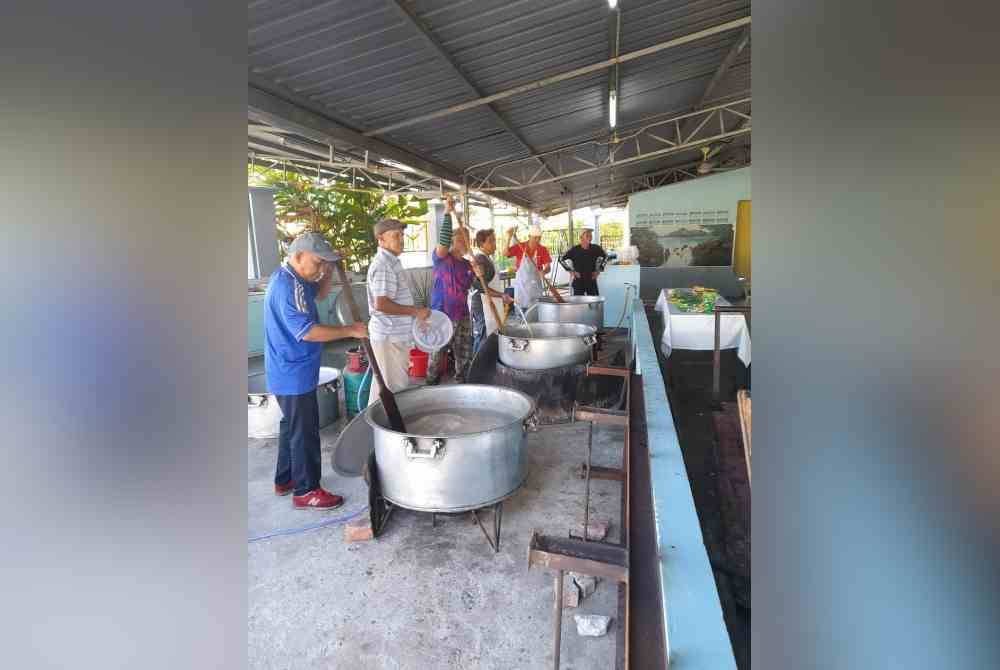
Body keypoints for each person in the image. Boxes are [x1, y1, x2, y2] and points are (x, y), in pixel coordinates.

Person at [265, 232, 368, 510]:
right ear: (298, 256)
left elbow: (321, 292)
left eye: (324, 263)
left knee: (291, 427)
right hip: (293, 372)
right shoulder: (288, 287)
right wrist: (350, 329)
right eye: (317, 262)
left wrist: (331, 266)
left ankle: (285, 478)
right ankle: (306, 490)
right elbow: (307, 332)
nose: (320, 269)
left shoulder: (295, 278)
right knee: (305, 431)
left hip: (289, 369)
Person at [366, 218, 431, 405]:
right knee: (391, 390)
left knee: (384, 388)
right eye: (396, 235)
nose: (401, 239)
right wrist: (416, 312)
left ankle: (377, 429)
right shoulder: (384, 265)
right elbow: (382, 304)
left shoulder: (392, 261)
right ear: (381, 239)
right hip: (389, 337)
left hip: (393, 336)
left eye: (402, 235)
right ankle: (386, 430)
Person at [426, 199, 476, 385]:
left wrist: (478, 274)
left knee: (463, 352)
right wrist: (447, 213)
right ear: (452, 241)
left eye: (467, 239)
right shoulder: (441, 258)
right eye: (461, 238)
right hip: (441, 314)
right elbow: (443, 241)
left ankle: (462, 382)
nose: (464, 242)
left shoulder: (468, 264)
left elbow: (471, 287)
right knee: (437, 352)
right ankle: (431, 382)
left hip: (462, 314)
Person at [470, 228, 514, 353]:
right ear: (481, 244)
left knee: (488, 335)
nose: (494, 244)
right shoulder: (480, 260)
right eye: (491, 241)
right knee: (483, 335)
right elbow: (481, 287)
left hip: (490, 303)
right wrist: (502, 295)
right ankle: (477, 366)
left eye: (494, 240)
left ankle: (483, 363)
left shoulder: (487, 258)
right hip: (483, 304)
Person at [560, 228, 607, 296]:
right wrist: (571, 271)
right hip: (578, 281)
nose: (590, 238)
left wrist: (598, 270)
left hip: (591, 280)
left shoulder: (596, 248)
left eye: (591, 236)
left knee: (594, 303)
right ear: (581, 237)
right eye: (587, 236)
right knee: (579, 304)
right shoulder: (575, 250)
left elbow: (606, 257)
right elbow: (561, 259)